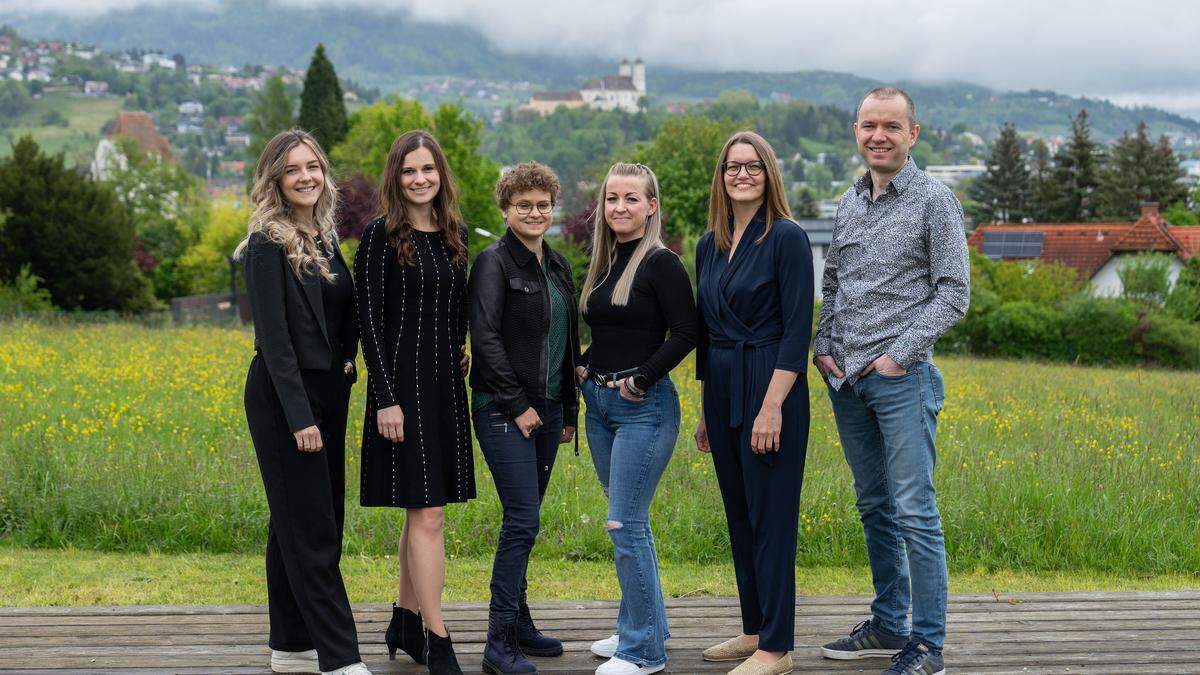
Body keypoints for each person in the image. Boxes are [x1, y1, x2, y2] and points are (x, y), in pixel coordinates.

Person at [814, 87, 968, 675]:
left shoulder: (935, 200)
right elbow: (835, 285)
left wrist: (897, 357)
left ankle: (926, 646)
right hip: (846, 381)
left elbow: (954, 292)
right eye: (868, 125)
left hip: (902, 379)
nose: (879, 135)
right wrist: (823, 346)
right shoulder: (850, 202)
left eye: (891, 126)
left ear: (913, 134)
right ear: (856, 131)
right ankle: (887, 622)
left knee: (914, 510)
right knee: (874, 505)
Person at [236, 129, 370, 675]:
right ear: (275, 179)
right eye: (294, 169)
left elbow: (342, 318)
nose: (307, 176)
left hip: (328, 394)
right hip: (284, 397)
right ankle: (339, 658)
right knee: (312, 530)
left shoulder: (322, 235)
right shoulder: (268, 244)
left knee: (302, 519)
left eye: (313, 166)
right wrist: (300, 419)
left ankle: (290, 644)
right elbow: (275, 339)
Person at [693, 131, 814, 675]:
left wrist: (772, 408)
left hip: (770, 381)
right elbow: (706, 331)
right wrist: (704, 409)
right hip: (721, 386)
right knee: (739, 514)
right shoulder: (708, 244)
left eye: (752, 167)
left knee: (771, 518)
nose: (741, 175)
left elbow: (796, 331)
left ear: (769, 174)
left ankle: (778, 647)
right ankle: (752, 629)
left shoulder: (786, 237)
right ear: (721, 177)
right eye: (732, 167)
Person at [355, 130, 473, 675]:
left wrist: (462, 345)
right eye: (409, 171)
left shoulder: (455, 235)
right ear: (395, 178)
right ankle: (437, 635)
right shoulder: (379, 237)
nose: (420, 179)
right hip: (400, 389)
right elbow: (369, 323)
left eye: (428, 169)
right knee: (428, 515)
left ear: (441, 174)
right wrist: (385, 398)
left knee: (421, 510)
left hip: (446, 390)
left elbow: (456, 307)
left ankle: (404, 618)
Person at [576, 163, 697, 675]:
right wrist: (585, 364)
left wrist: (642, 378)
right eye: (611, 199)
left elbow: (687, 332)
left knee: (625, 524)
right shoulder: (605, 262)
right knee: (628, 522)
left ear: (651, 206)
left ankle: (644, 652)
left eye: (631, 199)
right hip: (599, 406)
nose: (619, 207)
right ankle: (641, 625)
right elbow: (611, 327)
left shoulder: (661, 263)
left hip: (642, 409)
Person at [469, 161, 579, 675]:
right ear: (506, 209)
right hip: (502, 408)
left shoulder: (557, 266)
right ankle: (496, 642)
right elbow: (486, 339)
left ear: (551, 208)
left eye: (542, 205)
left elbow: (566, 344)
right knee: (523, 519)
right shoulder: (493, 263)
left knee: (527, 520)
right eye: (523, 205)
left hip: (549, 409)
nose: (534, 213)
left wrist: (567, 412)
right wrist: (519, 407)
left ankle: (520, 623)